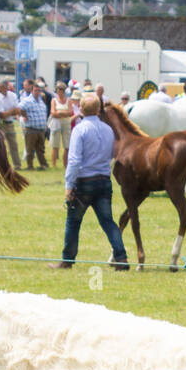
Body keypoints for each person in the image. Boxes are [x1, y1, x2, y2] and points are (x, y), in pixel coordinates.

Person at [50, 92, 128, 271]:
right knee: (108, 222)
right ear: (99, 110)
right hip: (103, 181)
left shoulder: (80, 129)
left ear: (81, 110)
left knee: (73, 221)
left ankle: (67, 261)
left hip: (84, 182)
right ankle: (121, 258)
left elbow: (74, 160)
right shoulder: (108, 130)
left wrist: (69, 186)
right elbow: (111, 155)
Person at [0, 78, 24, 170]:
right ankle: (0, 165)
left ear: (6, 87)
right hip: (0, 124)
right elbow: (2, 115)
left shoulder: (13, 95)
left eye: (1, 87)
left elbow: (18, 110)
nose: (0, 89)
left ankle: (17, 165)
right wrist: (12, 111)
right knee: (0, 145)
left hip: (10, 123)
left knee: (14, 144)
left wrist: (9, 112)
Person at [19, 79, 49, 170]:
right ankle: (30, 166)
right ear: (32, 91)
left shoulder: (41, 101)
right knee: (30, 149)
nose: (37, 92)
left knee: (40, 149)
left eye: (39, 90)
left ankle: (43, 165)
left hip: (40, 129)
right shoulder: (27, 100)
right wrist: (24, 115)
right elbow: (19, 108)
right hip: (31, 128)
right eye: (35, 90)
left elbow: (43, 113)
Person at [48, 81, 73, 169]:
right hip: (56, 124)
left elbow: (70, 112)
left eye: (61, 89)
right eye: (58, 89)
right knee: (55, 145)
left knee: (67, 146)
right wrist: (63, 113)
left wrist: (60, 112)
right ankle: (54, 165)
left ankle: (65, 164)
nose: (60, 91)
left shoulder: (69, 100)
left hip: (66, 124)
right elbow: (53, 113)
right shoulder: (53, 100)